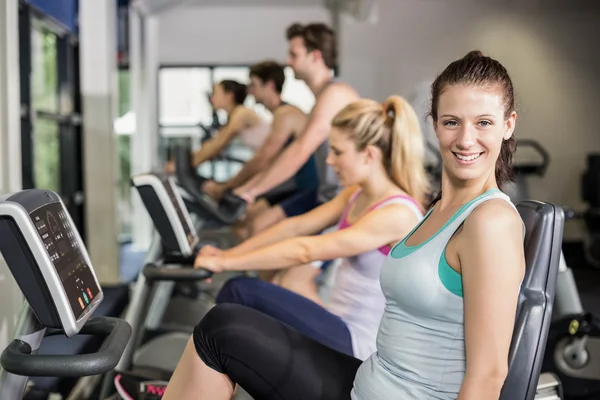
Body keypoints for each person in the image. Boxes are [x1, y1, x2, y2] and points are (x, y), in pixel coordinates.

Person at [124, 50, 527, 400]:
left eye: (484, 123)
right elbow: (300, 233)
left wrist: (230, 258)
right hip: (367, 379)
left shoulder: (490, 221)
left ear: (508, 125)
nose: (466, 139)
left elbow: (489, 373)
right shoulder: (437, 211)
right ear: (434, 124)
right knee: (223, 325)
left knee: (223, 326)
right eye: (452, 122)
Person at [196, 95, 427, 310]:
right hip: (340, 321)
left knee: (240, 290)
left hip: (363, 343)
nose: (329, 160)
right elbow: (294, 227)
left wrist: (226, 262)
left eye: (337, 152)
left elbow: (306, 251)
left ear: (369, 155)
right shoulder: (356, 194)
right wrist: (225, 256)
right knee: (244, 301)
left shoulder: (397, 214)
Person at [232, 22, 360, 244]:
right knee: (260, 233)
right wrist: (250, 188)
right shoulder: (321, 100)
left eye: (294, 55)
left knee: (285, 267)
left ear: (315, 56)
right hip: (325, 196)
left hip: (345, 200)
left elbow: (300, 150)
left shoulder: (336, 94)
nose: (288, 61)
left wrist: (251, 191)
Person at [201, 61, 319, 237]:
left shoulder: (285, 115)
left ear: (270, 85)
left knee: (255, 227)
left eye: (254, 85)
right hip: (292, 187)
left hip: (308, 191)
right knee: (242, 225)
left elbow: (262, 160)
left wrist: (228, 187)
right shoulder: (278, 115)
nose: (250, 91)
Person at [164, 79, 269, 173]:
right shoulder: (234, 116)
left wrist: (183, 166)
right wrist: (186, 160)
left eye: (215, 94)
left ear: (229, 96)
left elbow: (218, 144)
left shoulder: (241, 113)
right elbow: (212, 143)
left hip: (273, 161)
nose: (212, 99)